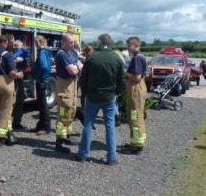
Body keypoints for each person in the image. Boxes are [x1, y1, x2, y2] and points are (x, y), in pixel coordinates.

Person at [77, 34, 126, 165]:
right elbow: (122, 82)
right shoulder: (116, 59)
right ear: (110, 43)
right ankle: (111, 158)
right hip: (109, 97)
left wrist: (86, 93)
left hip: (92, 97)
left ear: (99, 42)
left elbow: (83, 79)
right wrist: (115, 93)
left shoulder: (91, 57)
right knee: (109, 126)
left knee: (87, 124)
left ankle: (82, 155)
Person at [54, 33, 83, 153]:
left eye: (73, 42)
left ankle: (66, 136)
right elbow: (72, 70)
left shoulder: (72, 53)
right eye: (71, 42)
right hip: (64, 85)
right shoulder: (61, 54)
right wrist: (77, 67)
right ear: (64, 42)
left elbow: (80, 65)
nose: (73, 44)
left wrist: (77, 66)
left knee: (71, 110)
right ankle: (59, 142)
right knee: (63, 112)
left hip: (72, 84)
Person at [120, 36, 148, 155]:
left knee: (135, 116)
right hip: (139, 88)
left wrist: (125, 72)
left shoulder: (136, 58)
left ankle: (137, 146)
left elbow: (136, 77)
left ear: (136, 45)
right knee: (136, 115)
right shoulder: (140, 57)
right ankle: (135, 142)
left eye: (129, 45)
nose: (127, 48)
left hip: (136, 88)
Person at [31, 35, 52, 135]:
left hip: (41, 81)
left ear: (41, 42)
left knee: (43, 106)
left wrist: (37, 72)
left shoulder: (42, 52)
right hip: (43, 80)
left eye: (36, 42)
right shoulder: (44, 51)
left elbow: (45, 66)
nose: (35, 44)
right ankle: (40, 125)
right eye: (35, 42)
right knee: (41, 105)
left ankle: (46, 127)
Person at [12, 39, 30, 130]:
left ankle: (16, 122)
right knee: (18, 101)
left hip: (17, 78)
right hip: (18, 78)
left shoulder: (21, 51)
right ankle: (16, 123)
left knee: (17, 101)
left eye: (16, 46)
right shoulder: (22, 51)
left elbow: (13, 57)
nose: (14, 48)